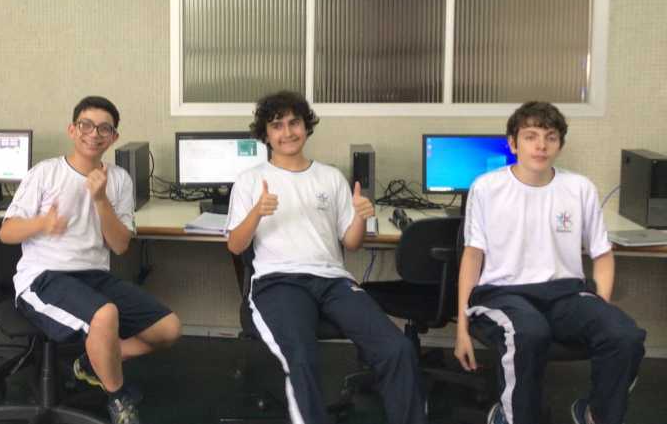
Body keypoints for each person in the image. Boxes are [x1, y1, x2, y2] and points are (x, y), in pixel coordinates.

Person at [226, 90, 426, 424]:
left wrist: (360, 216)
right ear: (266, 134)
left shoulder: (330, 177)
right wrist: (257, 213)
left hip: (333, 281)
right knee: (302, 357)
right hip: (278, 282)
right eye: (277, 125)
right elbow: (235, 245)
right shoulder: (250, 181)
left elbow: (352, 242)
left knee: (397, 349)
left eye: (294, 123)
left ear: (306, 127)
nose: (287, 132)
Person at [454, 101, 646, 424]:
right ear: (513, 143)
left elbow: (602, 254)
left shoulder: (580, 188)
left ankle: (595, 413)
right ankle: (511, 416)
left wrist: (600, 308)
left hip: (565, 293)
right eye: (530, 136)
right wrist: (462, 328)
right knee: (529, 332)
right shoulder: (486, 188)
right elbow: (472, 257)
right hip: (502, 293)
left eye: (550, 137)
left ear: (560, 145)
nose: (541, 145)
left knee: (624, 335)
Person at [0, 95, 181, 424]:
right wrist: (41, 224)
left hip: (94, 277)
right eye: (86, 125)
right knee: (105, 314)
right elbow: (6, 232)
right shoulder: (45, 173)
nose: (94, 134)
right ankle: (118, 398)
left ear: (114, 137)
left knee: (168, 329)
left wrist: (100, 199)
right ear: (72, 130)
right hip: (43, 278)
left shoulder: (119, 180)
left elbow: (120, 245)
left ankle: (91, 362)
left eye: (104, 128)